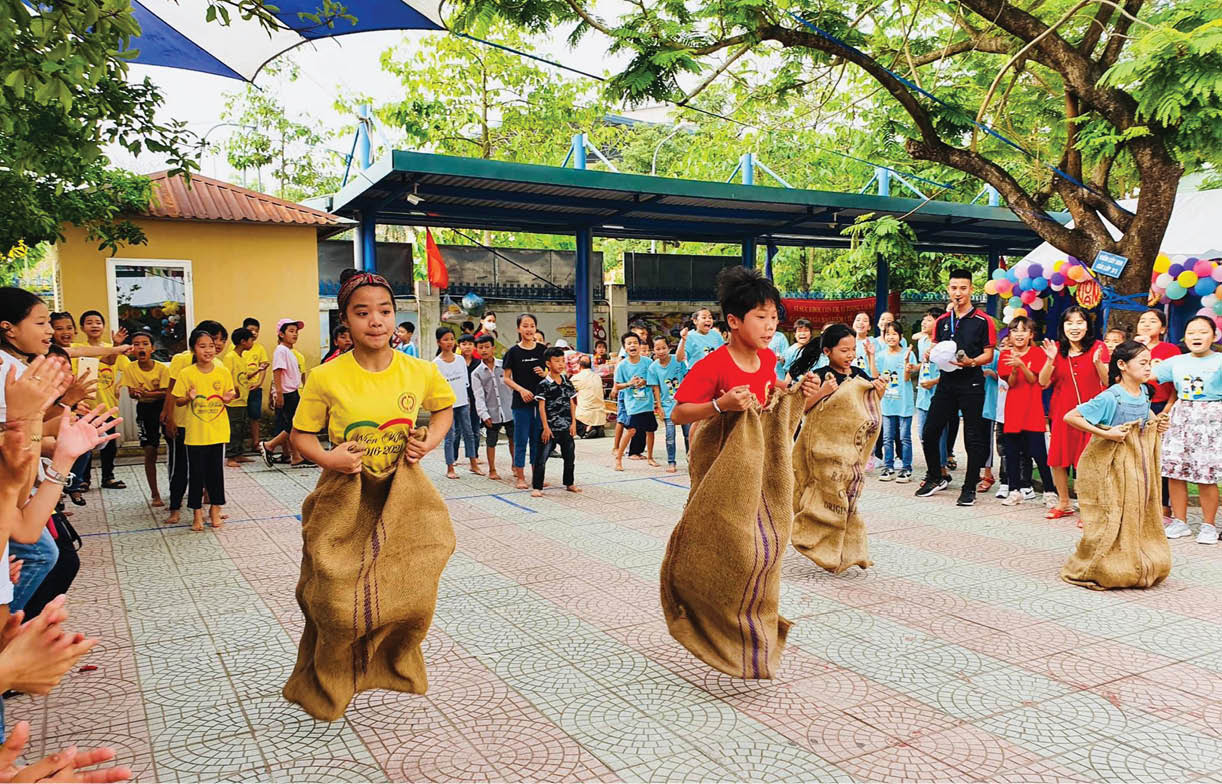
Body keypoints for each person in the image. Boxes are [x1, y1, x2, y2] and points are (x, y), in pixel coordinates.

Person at [283, 270, 456, 721]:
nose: (375, 321)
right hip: (345, 497)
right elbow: (301, 436)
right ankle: (328, 676)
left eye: (384, 311)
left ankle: (391, 665)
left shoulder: (420, 370)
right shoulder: (325, 377)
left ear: (396, 319)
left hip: (403, 496)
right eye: (362, 313)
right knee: (334, 603)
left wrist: (428, 442)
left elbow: (443, 412)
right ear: (345, 322)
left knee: (413, 594)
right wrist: (328, 459)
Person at [915, 269, 997, 506]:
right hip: (946, 384)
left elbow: (988, 354)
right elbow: (936, 348)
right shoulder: (941, 321)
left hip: (971, 383)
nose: (958, 293)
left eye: (963, 288)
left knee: (973, 437)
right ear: (948, 290)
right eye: (953, 288)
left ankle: (969, 487)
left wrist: (972, 361)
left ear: (971, 289)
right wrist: (931, 354)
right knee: (929, 431)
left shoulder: (983, 321)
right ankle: (935, 476)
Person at [1154, 316, 1222, 543]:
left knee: (1206, 474)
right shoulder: (1176, 361)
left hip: (1210, 419)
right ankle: (1180, 522)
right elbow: (1147, 374)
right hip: (1181, 416)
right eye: (1191, 332)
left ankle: (1208, 526)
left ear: (1214, 336)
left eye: (1203, 332)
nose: (1196, 336)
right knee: (1175, 472)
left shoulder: (1220, 361)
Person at [1038, 306, 1109, 519]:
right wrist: (1050, 360)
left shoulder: (1098, 347)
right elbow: (1042, 382)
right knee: (1059, 459)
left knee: (1088, 462)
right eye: (1069, 323)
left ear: (1088, 326)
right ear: (1062, 327)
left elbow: (1107, 381)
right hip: (1063, 412)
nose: (1075, 327)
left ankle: (1091, 509)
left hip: (1092, 414)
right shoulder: (1056, 349)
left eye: (1080, 322)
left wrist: (1097, 362)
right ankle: (1064, 502)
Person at [171, 329, 236, 532]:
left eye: (211, 346)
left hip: (217, 431)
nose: (208, 350)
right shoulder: (186, 373)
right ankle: (196, 514)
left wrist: (229, 397)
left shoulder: (222, 371)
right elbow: (178, 400)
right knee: (196, 475)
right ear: (193, 349)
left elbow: (231, 392)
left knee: (216, 474)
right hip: (195, 434)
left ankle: (215, 510)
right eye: (202, 346)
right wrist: (188, 397)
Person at [161, 320, 224, 524]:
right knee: (180, 468)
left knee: (209, 469)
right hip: (183, 423)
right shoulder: (181, 361)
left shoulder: (219, 365)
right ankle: (175, 508)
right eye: (211, 340)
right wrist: (169, 416)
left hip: (207, 426)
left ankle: (210, 507)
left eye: (216, 341)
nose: (215, 345)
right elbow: (172, 389)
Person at [998, 317, 1054, 507]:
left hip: (1033, 411)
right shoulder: (1005, 354)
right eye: (1015, 330)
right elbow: (1011, 383)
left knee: (1039, 453)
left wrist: (1021, 365)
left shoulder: (1038, 353)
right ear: (1010, 335)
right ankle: (1014, 490)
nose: (1019, 334)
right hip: (1013, 411)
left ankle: (1049, 490)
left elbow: (1034, 381)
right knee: (1012, 453)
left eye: (1024, 330)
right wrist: (1014, 370)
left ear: (1031, 335)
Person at [1134, 308, 1180, 524]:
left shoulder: (1170, 350)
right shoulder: (1132, 349)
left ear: (1162, 328)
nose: (1145, 324)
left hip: (1162, 406)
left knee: (1159, 459)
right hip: (1136, 406)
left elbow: (1177, 385)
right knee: (1137, 457)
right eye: (1142, 320)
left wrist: (1167, 410)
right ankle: (1139, 503)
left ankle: (1163, 507)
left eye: (1152, 321)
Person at [122, 330, 169, 506]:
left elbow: (166, 393)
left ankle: (177, 486)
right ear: (132, 349)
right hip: (145, 411)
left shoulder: (162, 368)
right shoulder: (130, 369)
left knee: (175, 447)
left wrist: (148, 393)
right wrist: (141, 394)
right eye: (136, 344)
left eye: (145, 344)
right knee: (150, 451)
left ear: (152, 348)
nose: (140, 347)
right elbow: (134, 394)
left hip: (164, 409)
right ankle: (155, 493)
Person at [501, 314, 547, 490]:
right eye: (525, 326)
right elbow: (506, 378)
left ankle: (537, 476)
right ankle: (520, 476)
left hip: (540, 402)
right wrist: (521, 390)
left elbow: (554, 373)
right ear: (518, 329)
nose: (529, 329)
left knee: (538, 440)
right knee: (521, 440)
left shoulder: (542, 350)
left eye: (532, 326)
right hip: (521, 403)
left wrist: (545, 374)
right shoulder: (513, 352)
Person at [532, 347, 580, 497]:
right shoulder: (543, 384)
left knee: (570, 456)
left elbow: (572, 403)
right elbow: (541, 407)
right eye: (556, 361)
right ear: (548, 363)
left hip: (566, 426)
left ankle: (569, 483)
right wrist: (545, 427)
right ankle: (537, 487)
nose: (560, 364)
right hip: (549, 428)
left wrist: (573, 423)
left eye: (562, 361)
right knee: (541, 458)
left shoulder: (567, 382)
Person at [434, 328, 480, 479]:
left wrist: (467, 399)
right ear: (439, 342)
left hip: (463, 402)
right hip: (447, 406)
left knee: (469, 432)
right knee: (450, 435)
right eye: (445, 339)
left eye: (451, 339)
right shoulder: (436, 364)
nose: (449, 342)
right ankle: (450, 467)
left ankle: (473, 463)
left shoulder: (460, 359)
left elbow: (465, 382)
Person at [261, 319, 307, 468]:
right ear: (281, 334)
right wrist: (279, 393)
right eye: (291, 331)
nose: (295, 334)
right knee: (294, 426)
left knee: (292, 425)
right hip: (287, 393)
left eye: (296, 332)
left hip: (291, 391)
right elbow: (277, 371)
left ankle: (296, 457)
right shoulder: (281, 350)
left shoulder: (288, 351)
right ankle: (269, 445)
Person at [914, 309, 950, 486]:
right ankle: (933, 467)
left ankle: (941, 469)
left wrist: (934, 382)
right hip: (922, 394)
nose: (924, 323)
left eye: (928, 320)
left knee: (939, 434)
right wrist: (914, 368)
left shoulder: (944, 345)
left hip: (938, 394)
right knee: (922, 433)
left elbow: (950, 370)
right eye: (923, 319)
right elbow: (924, 364)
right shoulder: (922, 342)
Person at [876, 322, 916, 482]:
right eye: (888, 334)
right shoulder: (880, 355)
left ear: (900, 336)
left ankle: (906, 468)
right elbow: (875, 375)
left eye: (894, 334)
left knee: (904, 437)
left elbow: (907, 379)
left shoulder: (908, 354)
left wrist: (906, 363)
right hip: (887, 404)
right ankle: (888, 467)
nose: (891, 337)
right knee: (887, 437)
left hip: (904, 404)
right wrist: (871, 356)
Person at [471, 334, 513, 481]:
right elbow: (479, 395)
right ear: (476, 350)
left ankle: (515, 466)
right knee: (491, 441)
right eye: (480, 347)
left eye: (487, 347)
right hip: (491, 412)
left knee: (513, 438)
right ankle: (492, 469)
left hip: (509, 410)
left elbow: (513, 385)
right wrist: (484, 414)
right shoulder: (476, 373)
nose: (484, 350)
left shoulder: (505, 366)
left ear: (493, 348)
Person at [612, 333, 654, 471]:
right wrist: (629, 384)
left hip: (647, 403)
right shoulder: (622, 366)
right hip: (633, 404)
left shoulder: (648, 362)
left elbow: (654, 380)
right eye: (629, 343)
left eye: (635, 342)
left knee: (650, 430)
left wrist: (645, 381)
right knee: (631, 430)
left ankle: (650, 457)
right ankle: (618, 458)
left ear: (640, 345)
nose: (632, 345)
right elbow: (617, 385)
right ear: (624, 347)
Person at [647, 336, 688, 473]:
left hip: (684, 403)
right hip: (667, 405)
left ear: (669, 347)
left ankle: (691, 459)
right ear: (653, 350)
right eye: (658, 349)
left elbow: (687, 378)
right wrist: (659, 406)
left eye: (664, 348)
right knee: (670, 436)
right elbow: (656, 388)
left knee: (688, 434)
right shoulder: (653, 367)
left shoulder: (678, 360)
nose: (661, 351)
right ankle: (671, 462)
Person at [223, 328, 259, 467]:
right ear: (243, 341)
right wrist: (233, 389)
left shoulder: (242, 358)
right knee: (234, 428)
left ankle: (238, 454)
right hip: (234, 401)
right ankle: (231, 456)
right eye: (251, 340)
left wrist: (258, 371)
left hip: (243, 399)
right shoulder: (230, 357)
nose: (252, 343)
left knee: (241, 427)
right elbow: (226, 375)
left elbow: (243, 376)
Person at [239, 317, 270, 458]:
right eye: (251, 330)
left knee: (255, 416)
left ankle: (256, 443)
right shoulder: (239, 348)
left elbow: (263, 367)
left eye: (257, 331)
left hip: (255, 388)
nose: (254, 333)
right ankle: (238, 446)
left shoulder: (260, 348)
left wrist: (259, 383)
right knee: (239, 417)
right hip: (240, 389)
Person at [459, 333, 484, 456]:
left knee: (475, 428)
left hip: (475, 399)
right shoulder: (456, 362)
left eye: (470, 344)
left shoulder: (479, 363)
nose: (467, 347)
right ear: (459, 346)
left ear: (474, 347)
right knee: (458, 429)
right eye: (464, 344)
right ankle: (454, 456)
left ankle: (474, 454)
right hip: (459, 399)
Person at [571, 354, 607, 438]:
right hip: (600, 415)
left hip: (585, 415)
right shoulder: (597, 377)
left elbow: (568, 394)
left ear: (579, 365)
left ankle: (587, 429)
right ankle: (597, 427)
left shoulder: (576, 378)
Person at [780, 319, 813, 385]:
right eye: (799, 331)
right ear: (795, 334)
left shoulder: (816, 349)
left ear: (811, 334)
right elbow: (789, 373)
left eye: (806, 330)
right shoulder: (790, 351)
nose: (803, 333)